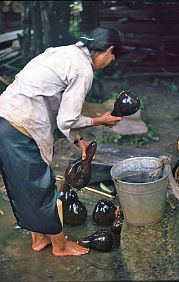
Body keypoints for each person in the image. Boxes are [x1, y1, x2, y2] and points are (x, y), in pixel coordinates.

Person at [0, 27, 123, 256]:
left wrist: (78, 140)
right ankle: (60, 246)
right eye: (112, 58)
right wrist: (100, 120)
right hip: (19, 127)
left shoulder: (64, 53)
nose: (109, 62)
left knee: (24, 188)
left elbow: (57, 106)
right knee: (42, 187)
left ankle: (40, 240)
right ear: (109, 51)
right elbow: (68, 118)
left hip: (5, 120)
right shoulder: (83, 69)